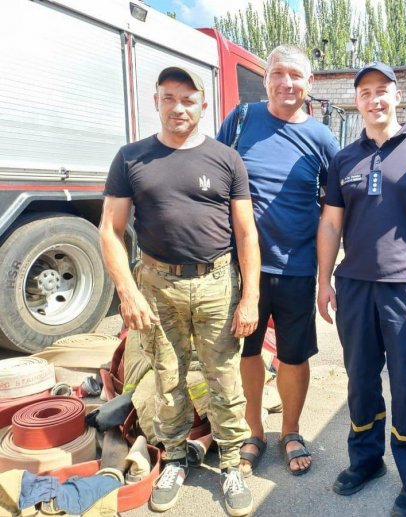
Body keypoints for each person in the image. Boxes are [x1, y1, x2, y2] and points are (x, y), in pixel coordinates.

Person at [99, 66, 260, 517]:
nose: (178, 108)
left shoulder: (227, 159)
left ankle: (230, 463)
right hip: (156, 287)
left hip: (216, 284)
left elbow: (246, 232)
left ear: (203, 106)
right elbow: (110, 230)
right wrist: (127, 293)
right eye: (169, 98)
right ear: (156, 102)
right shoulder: (131, 158)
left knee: (224, 377)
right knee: (167, 378)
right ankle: (173, 459)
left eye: (188, 100)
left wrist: (250, 297)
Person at [317, 62, 406, 517]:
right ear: (356, 102)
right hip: (355, 286)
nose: (374, 99)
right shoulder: (344, 159)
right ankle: (366, 461)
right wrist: (324, 280)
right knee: (360, 381)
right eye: (365, 93)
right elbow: (331, 223)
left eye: (382, 90)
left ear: (397, 96)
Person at [217, 45, 339, 477]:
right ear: (266, 79)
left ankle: (290, 430)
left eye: (296, 75)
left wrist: (326, 277)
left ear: (310, 83)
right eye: (278, 73)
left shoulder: (322, 139)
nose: (287, 83)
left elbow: (336, 209)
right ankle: (254, 431)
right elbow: (211, 181)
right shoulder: (241, 120)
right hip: (241, 270)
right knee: (247, 351)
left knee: (293, 354)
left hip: (297, 268)